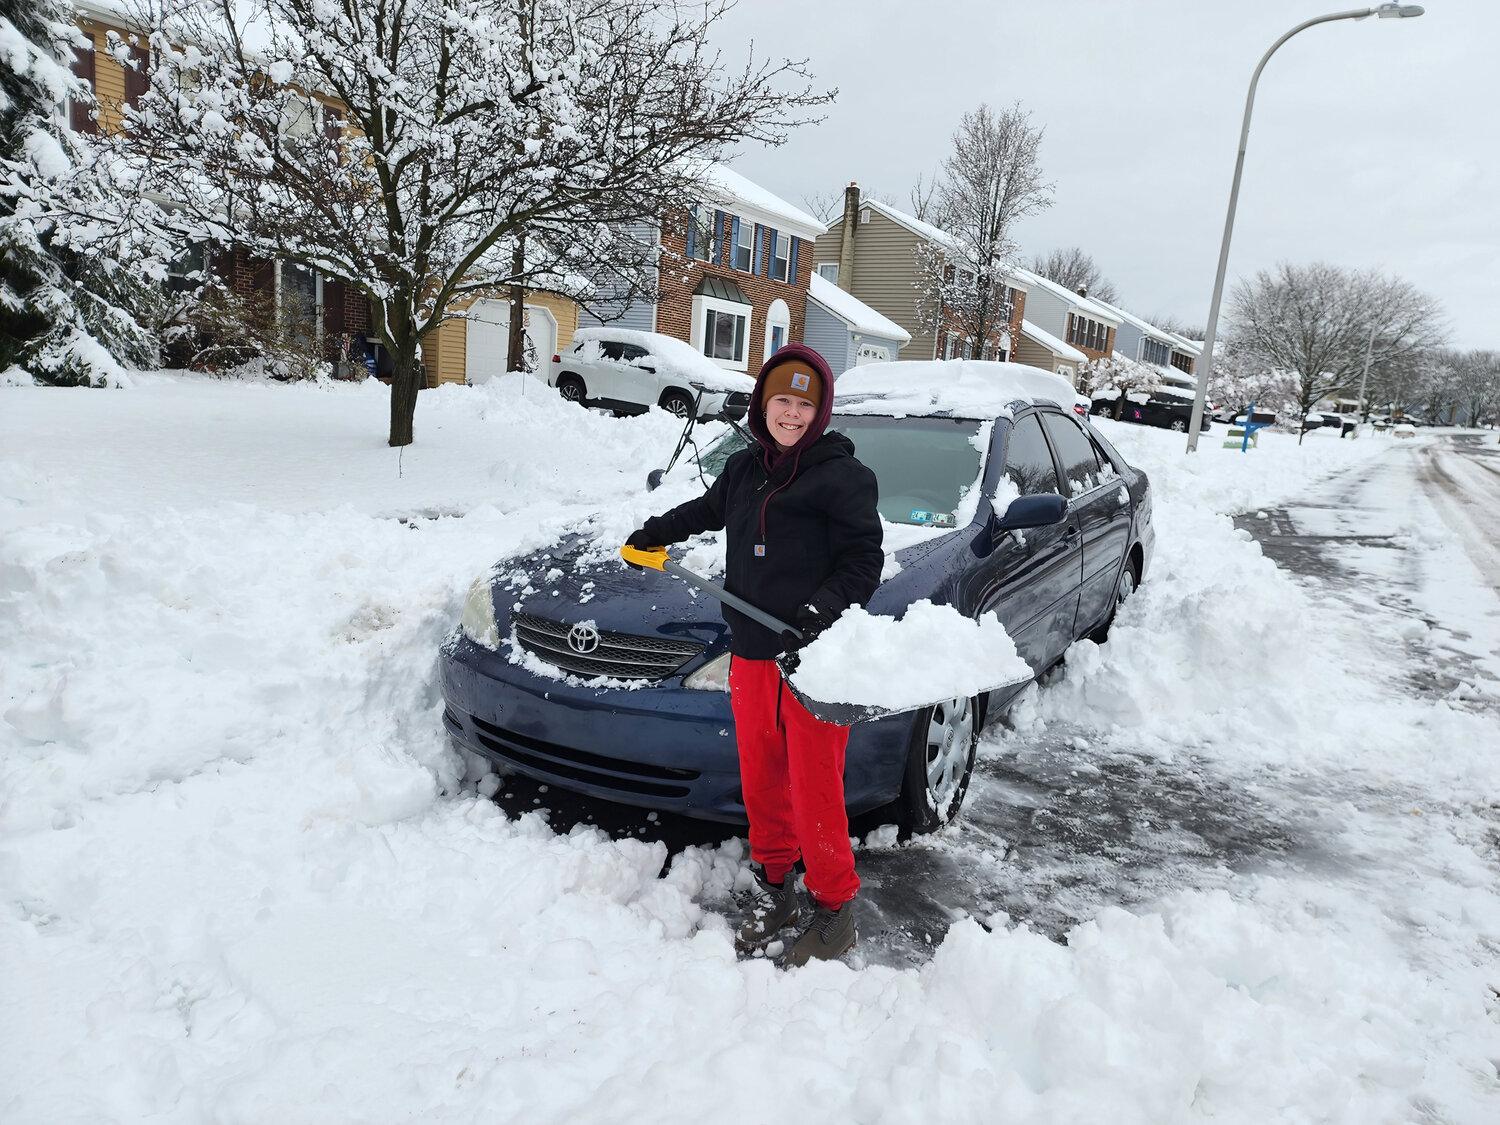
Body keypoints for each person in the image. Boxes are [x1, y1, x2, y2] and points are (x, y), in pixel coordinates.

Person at [626, 344, 882, 965]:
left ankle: (834, 908)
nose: (790, 414)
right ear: (762, 404)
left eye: (803, 403)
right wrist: (654, 532)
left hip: (811, 662)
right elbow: (705, 511)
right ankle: (776, 888)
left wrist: (819, 610)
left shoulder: (843, 477)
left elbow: (863, 560)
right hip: (751, 654)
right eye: (780, 401)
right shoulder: (744, 470)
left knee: (814, 786)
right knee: (762, 778)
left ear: (818, 413)